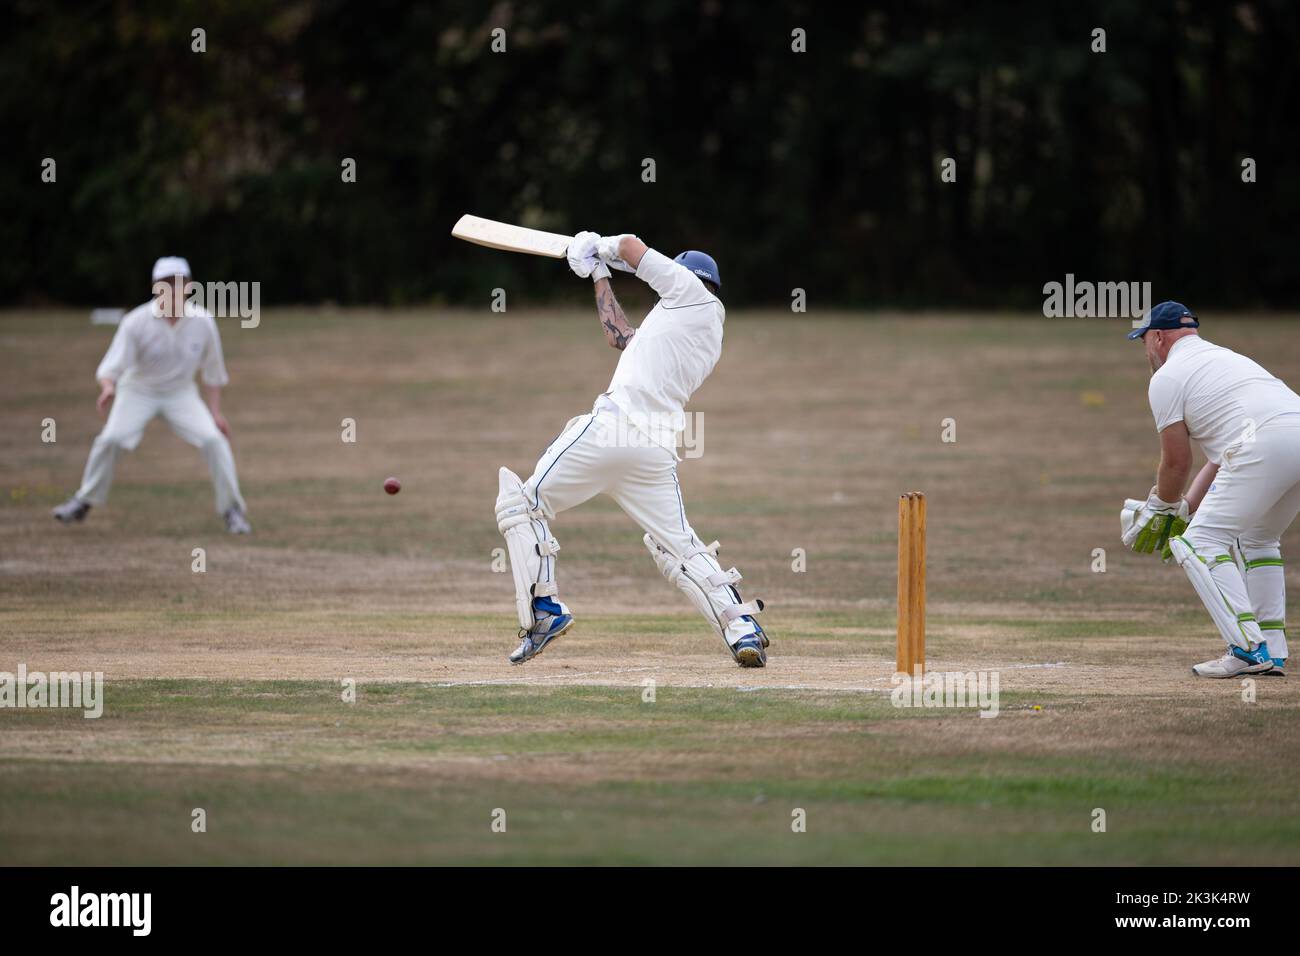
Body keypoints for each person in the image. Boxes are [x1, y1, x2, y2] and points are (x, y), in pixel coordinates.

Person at [494, 231, 768, 666]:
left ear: (687, 275)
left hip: (613, 428)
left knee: (520, 505)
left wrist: (599, 246)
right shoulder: (698, 328)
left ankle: (543, 610)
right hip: (654, 450)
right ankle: (742, 629)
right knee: (678, 547)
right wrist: (598, 273)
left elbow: (629, 246)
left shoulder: (688, 292)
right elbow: (620, 336)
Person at [1123, 300, 1300, 677]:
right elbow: (1220, 458)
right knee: (1257, 538)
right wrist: (1185, 506)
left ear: (1157, 338)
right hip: (1292, 435)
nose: (1146, 351)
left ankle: (1249, 650)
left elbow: (1176, 462)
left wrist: (1164, 509)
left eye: (1143, 341)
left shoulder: (1168, 377)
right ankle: (1274, 649)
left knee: (1198, 544)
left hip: (1263, 446)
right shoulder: (1225, 360)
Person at [51, 257, 251, 534]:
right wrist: (108, 387)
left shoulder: (203, 322)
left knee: (214, 440)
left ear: (190, 286)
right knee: (111, 439)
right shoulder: (136, 322)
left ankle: (232, 511)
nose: (172, 290)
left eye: (178, 284)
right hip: (138, 390)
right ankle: (83, 501)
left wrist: (215, 413)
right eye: (165, 284)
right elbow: (111, 367)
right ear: (155, 288)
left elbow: (213, 373)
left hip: (181, 392)